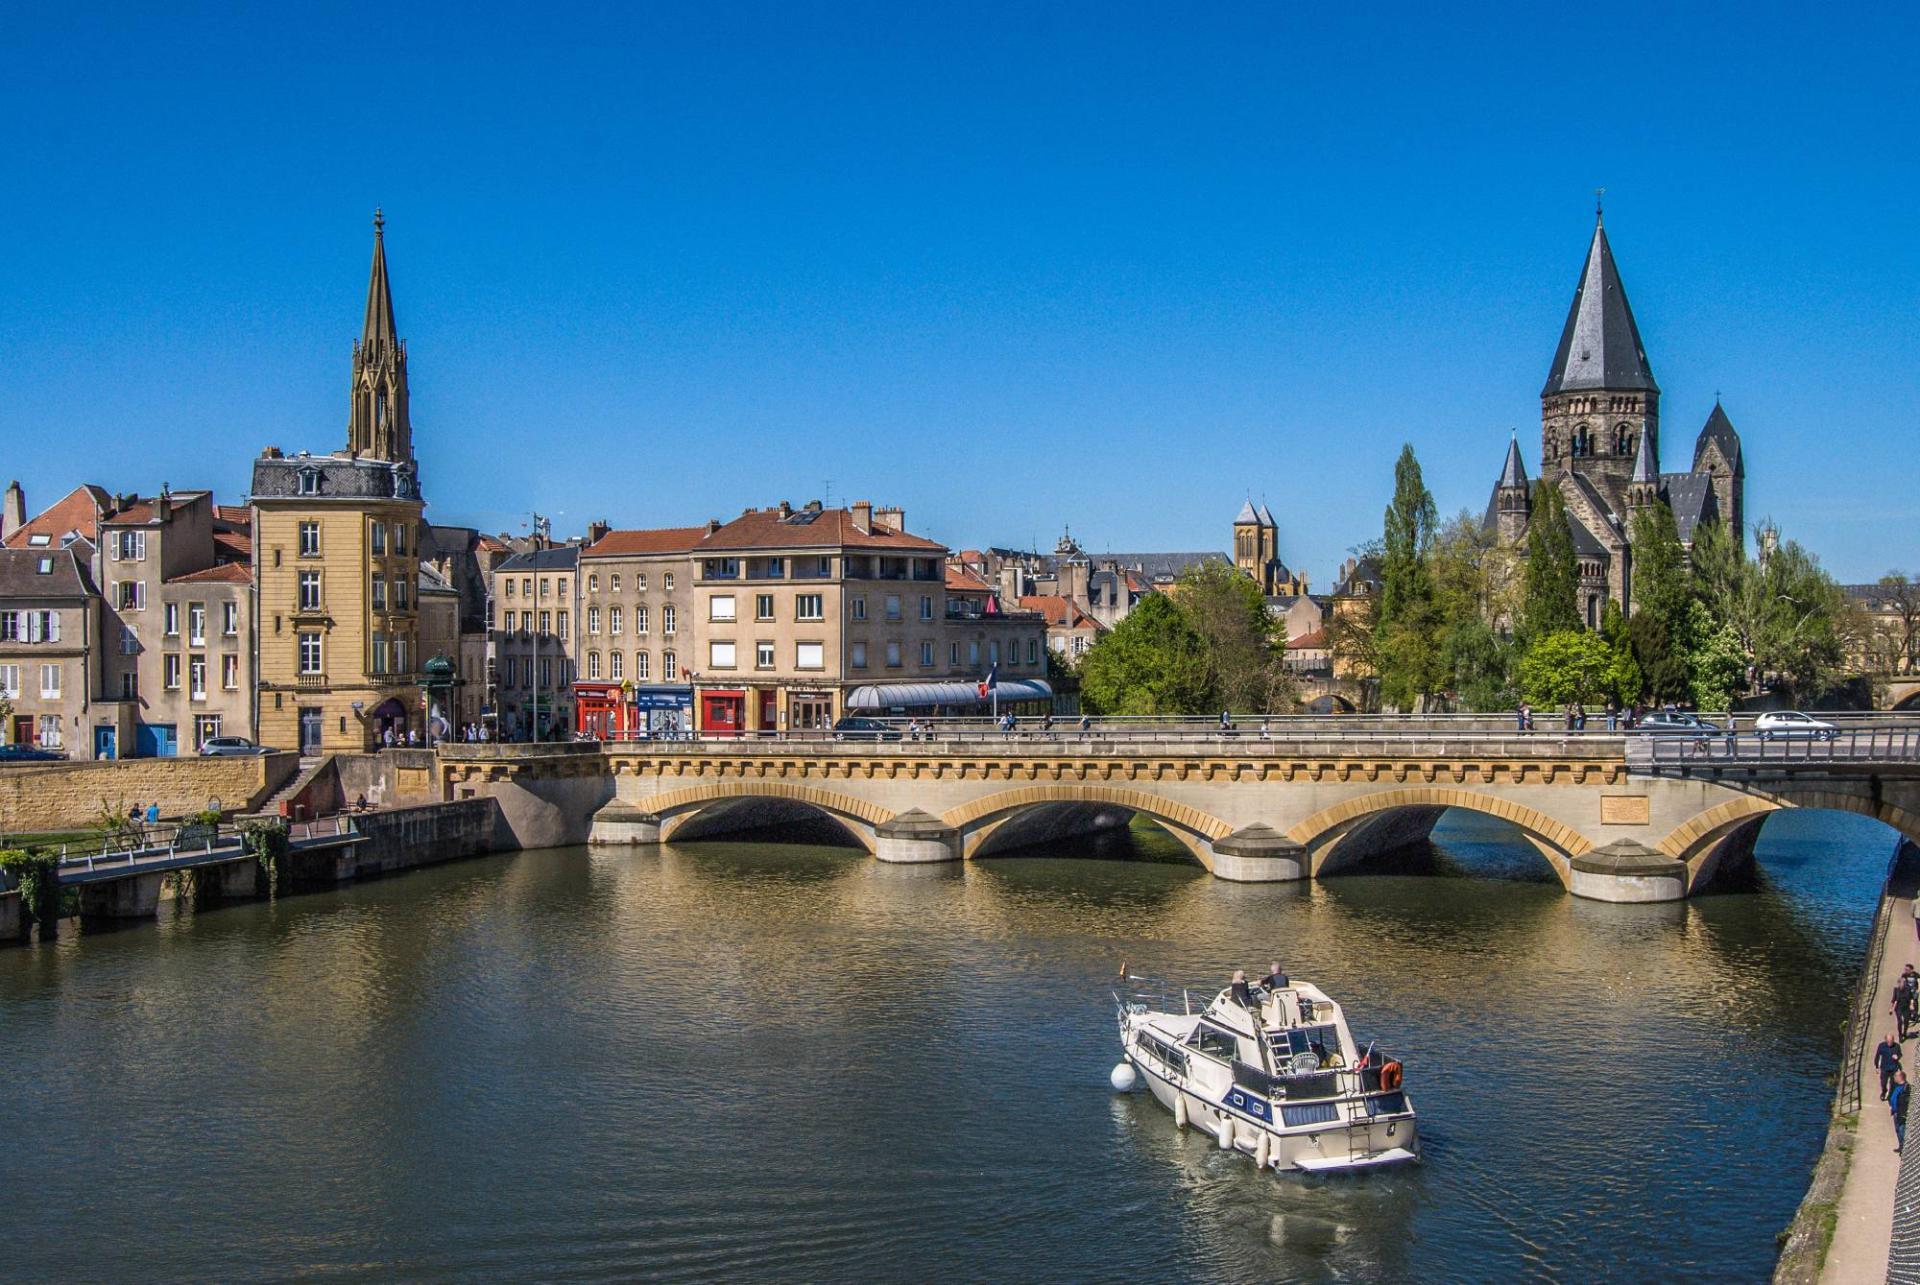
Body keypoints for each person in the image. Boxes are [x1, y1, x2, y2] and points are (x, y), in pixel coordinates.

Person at [1877, 1032, 1905, 1101]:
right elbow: (1877, 1056)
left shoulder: (1897, 1046)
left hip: (1893, 1068)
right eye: (1888, 1041)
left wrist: (1897, 1057)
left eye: (1891, 1041)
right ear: (1886, 1040)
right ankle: (1884, 1092)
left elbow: (1900, 1054)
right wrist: (1877, 1067)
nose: (1890, 1043)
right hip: (1884, 1068)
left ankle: (1890, 1095)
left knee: (1892, 1083)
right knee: (1883, 1082)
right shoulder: (1881, 1046)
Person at [1893, 1070, 1911, 1153]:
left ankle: (1904, 1148)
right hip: (1896, 1112)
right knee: (1898, 1130)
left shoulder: (1906, 1088)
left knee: (1901, 1131)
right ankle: (1901, 1147)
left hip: (1901, 1114)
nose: (1894, 1077)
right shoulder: (1897, 1086)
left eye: (1895, 1076)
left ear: (1900, 1077)